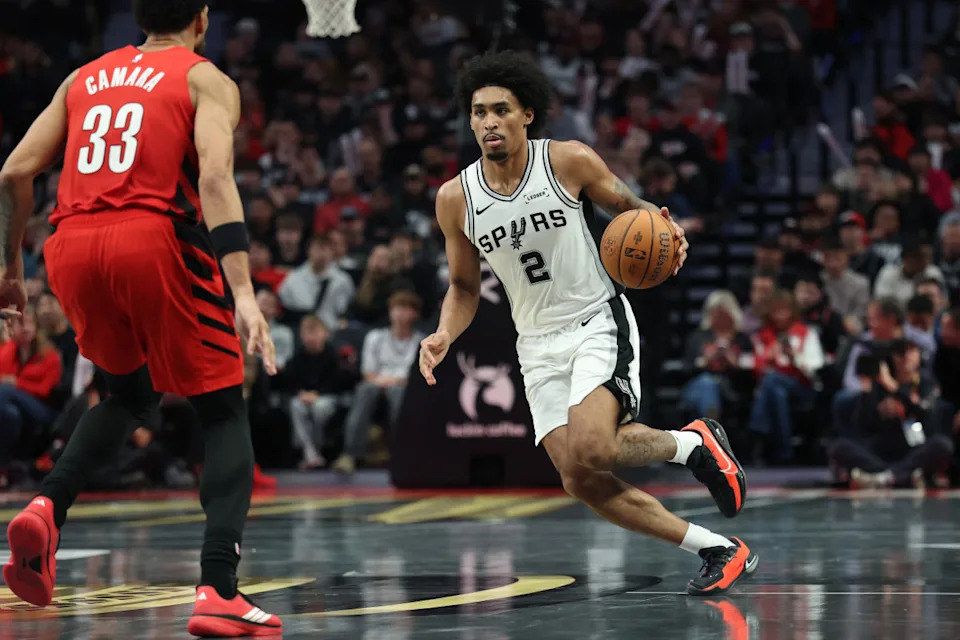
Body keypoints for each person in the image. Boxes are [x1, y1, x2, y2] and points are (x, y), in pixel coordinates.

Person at [418, 51, 757, 596]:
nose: (487, 122)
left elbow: (630, 206)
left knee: (594, 448)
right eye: (478, 112)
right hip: (534, 345)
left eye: (500, 110)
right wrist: (443, 334)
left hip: (594, 320)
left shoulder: (567, 161)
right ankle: (717, 548)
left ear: (526, 114)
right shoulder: (455, 199)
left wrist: (665, 230)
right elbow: (462, 287)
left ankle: (691, 444)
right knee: (580, 479)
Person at [0, 2, 281, 636]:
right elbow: (214, 176)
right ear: (202, 19)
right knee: (222, 406)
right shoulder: (204, 76)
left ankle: (47, 505)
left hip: (69, 244)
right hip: (152, 237)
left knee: (127, 393)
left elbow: (15, 171)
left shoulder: (83, 77)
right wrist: (241, 290)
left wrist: (10, 272)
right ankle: (219, 589)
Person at [332, 290, 423, 475]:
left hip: (404, 386)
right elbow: (367, 372)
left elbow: (417, 374)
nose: (399, 313)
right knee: (365, 390)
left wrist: (394, 381)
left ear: (414, 313)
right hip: (376, 383)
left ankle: (403, 452)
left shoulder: (420, 341)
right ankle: (350, 454)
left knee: (399, 392)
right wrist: (384, 381)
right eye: (396, 308)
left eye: (405, 309)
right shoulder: (375, 337)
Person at [748, 290, 825, 463]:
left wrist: (794, 357)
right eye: (776, 311)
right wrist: (769, 354)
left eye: (784, 310)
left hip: (803, 387)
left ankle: (757, 429)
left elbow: (815, 368)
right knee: (776, 391)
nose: (781, 315)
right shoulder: (762, 336)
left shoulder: (806, 333)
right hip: (775, 389)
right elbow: (757, 369)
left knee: (772, 381)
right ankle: (784, 452)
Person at [0, 304, 63, 486]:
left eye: (29, 323)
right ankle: (5, 468)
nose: (25, 328)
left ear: (36, 327)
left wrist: (16, 384)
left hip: (43, 410)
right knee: (10, 414)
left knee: (5, 391)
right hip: (14, 409)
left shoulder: (50, 355)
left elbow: (45, 390)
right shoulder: (6, 351)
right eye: (20, 323)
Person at [680, 291, 754, 421]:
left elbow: (751, 374)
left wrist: (734, 364)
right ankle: (711, 426)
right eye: (716, 313)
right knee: (707, 384)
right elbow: (686, 369)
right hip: (698, 385)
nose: (720, 318)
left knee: (712, 387)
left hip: (731, 388)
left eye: (723, 314)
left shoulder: (742, 339)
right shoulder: (698, 337)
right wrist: (705, 361)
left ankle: (708, 430)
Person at [286, 316, 343, 470]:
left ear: (325, 334)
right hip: (303, 397)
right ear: (301, 335)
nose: (311, 337)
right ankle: (309, 452)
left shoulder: (333, 356)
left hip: (327, 397)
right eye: (307, 333)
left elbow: (337, 382)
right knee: (295, 406)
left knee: (318, 408)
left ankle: (317, 448)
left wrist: (318, 394)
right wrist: (301, 393)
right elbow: (290, 382)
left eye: (315, 332)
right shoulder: (297, 357)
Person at [277, 233, 355, 330]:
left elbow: (345, 310)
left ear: (332, 253)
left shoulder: (342, 280)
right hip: (299, 329)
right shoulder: (293, 279)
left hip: (332, 330)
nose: (322, 254)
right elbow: (284, 307)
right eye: (318, 249)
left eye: (326, 249)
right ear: (309, 251)